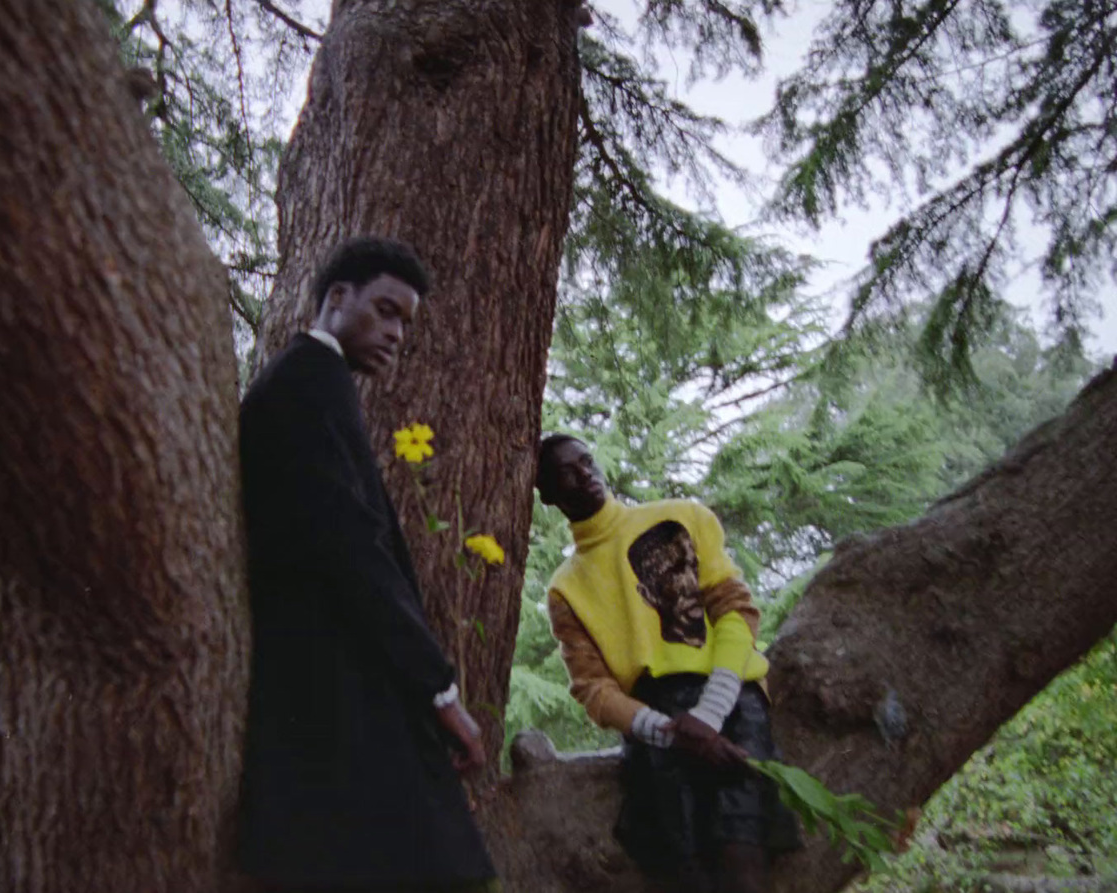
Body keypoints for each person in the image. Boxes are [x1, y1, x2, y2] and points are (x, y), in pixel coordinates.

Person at [237, 237, 498, 892]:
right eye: (386, 310)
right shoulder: (306, 384)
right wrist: (439, 689)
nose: (396, 333)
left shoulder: (314, 383)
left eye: (405, 322)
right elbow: (350, 548)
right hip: (334, 689)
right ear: (336, 298)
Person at [534, 434, 800, 893]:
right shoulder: (566, 589)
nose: (585, 475)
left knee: (744, 853)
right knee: (686, 869)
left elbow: (735, 611)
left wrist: (711, 712)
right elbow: (594, 690)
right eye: (566, 473)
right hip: (656, 723)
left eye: (587, 461)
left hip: (729, 694)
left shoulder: (684, 516)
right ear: (548, 495)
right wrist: (668, 733)